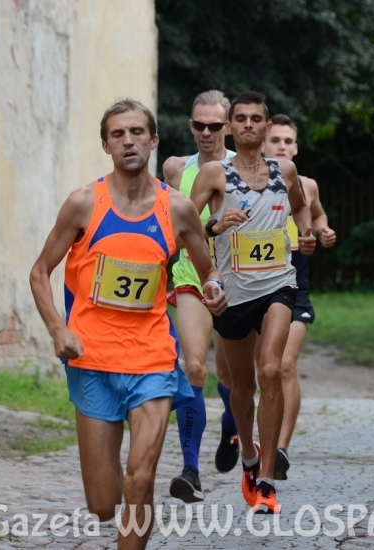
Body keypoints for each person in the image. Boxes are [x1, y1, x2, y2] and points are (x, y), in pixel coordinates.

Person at [29, 99, 227, 550]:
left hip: (152, 359)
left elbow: (207, 268)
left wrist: (214, 287)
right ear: (106, 145)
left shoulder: (178, 209)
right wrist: (59, 330)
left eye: (137, 132)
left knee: (140, 479)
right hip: (93, 359)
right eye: (117, 134)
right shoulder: (83, 203)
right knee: (103, 504)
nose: (128, 141)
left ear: (153, 139)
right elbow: (40, 271)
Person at [190, 91, 317, 514]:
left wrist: (306, 235)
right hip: (234, 294)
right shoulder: (214, 174)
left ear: (266, 127)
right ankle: (248, 454)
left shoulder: (285, 170)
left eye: (255, 118)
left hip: (279, 284)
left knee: (271, 370)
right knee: (241, 388)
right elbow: (183, 229)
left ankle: (266, 481)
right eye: (240, 118)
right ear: (230, 127)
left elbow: (301, 208)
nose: (248, 124)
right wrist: (214, 225)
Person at [162, 90, 239, 503]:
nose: (206, 132)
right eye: (199, 125)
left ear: (228, 127)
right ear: (190, 126)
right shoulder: (176, 168)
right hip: (191, 277)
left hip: (238, 284)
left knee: (232, 378)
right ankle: (190, 470)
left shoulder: (247, 169)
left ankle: (231, 427)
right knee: (192, 366)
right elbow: (170, 229)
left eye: (214, 125)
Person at [263, 114, 336, 480]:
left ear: (296, 148)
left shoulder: (307, 185)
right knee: (265, 370)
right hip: (257, 280)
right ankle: (255, 441)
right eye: (275, 140)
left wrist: (323, 231)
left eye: (288, 141)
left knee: (286, 365)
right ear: (263, 144)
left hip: (295, 277)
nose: (282, 146)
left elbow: (318, 215)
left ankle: (280, 449)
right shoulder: (245, 184)